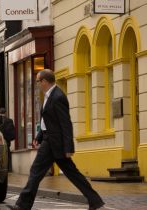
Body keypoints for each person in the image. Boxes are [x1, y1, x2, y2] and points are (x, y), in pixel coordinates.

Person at [9, 69, 104, 210]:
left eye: (38, 81)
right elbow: (49, 121)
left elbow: (66, 123)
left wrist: (68, 148)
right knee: (72, 174)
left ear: (45, 81)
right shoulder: (49, 95)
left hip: (55, 143)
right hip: (49, 140)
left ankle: (23, 205)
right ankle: (95, 201)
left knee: (36, 171)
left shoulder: (58, 96)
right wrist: (39, 136)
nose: (37, 84)